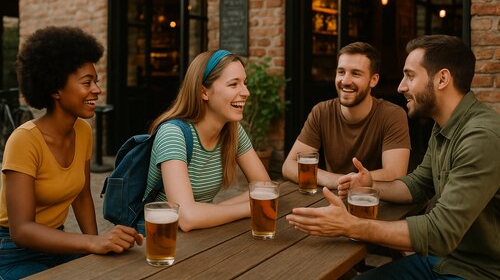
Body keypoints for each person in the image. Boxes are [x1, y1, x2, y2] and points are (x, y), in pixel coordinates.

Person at [286, 35, 500, 279]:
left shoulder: (481, 137)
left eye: (410, 76)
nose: (401, 87)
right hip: (444, 260)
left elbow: (441, 232)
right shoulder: (444, 126)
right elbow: (418, 185)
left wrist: (350, 225)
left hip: (479, 272)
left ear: (442, 79)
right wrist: (368, 184)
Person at [0, 26, 143, 280]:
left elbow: (82, 195)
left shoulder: (83, 131)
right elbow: (20, 229)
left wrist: (97, 246)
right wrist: (91, 244)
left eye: (95, 82)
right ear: (56, 90)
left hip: (59, 243)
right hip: (13, 251)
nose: (97, 90)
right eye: (87, 82)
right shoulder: (23, 141)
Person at [143, 49, 271, 232]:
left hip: (205, 235)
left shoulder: (233, 130)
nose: (246, 92)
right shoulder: (173, 134)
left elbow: (264, 188)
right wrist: (252, 207)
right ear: (204, 92)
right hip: (164, 241)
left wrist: (211, 212)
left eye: (245, 83)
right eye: (234, 84)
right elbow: (187, 218)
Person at [282, 42, 410, 189]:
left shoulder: (392, 115)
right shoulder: (322, 112)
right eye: (341, 72)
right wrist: (334, 180)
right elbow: (289, 166)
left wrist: (343, 181)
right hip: (331, 198)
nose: (345, 81)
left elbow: (396, 173)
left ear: (373, 80)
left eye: (356, 73)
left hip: (374, 202)